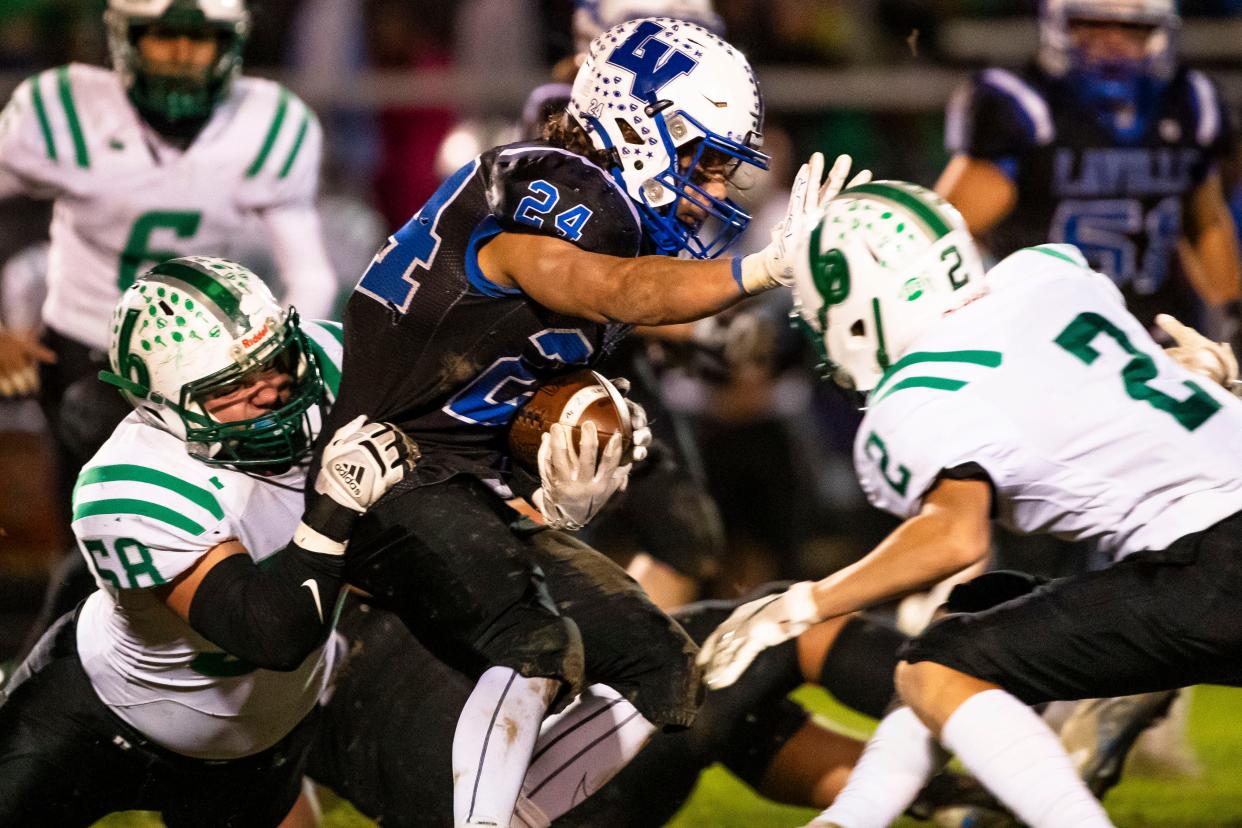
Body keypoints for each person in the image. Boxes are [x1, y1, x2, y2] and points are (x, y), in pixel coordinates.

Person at [323, 16, 863, 827]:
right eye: (705, 162)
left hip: (461, 484)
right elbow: (609, 288)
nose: (715, 189)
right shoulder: (557, 190)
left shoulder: (611, 207)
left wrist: (573, 448)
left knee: (661, 664)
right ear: (644, 128)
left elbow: (514, 369)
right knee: (535, 641)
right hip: (384, 472)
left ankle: (527, 816)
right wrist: (759, 270)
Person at [698, 180, 1242, 827]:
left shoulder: (920, 388)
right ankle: (853, 818)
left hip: (1209, 565)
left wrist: (797, 606)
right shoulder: (1046, 275)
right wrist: (1196, 373)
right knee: (972, 617)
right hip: (1210, 544)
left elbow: (954, 539)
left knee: (936, 668)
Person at [0, 257, 413, 825]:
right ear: (163, 406)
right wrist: (338, 504)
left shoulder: (331, 362)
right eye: (233, 385)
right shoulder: (132, 482)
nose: (269, 392)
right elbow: (271, 632)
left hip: (258, 740)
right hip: (95, 717)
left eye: (273, 362)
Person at [0, 0, 336, 524]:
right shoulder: (64, 108)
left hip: (211, 359)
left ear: (230, 44)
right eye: (163, 35)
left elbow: (310, 273)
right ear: (125, 39)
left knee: (222, 510)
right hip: (86, 348)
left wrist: (269, 361)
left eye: (200, 38)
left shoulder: (270, 123)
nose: (182, 54)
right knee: (106, 505)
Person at [936, 0, 1240, 337]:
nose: (1113, 40)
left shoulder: (1191, 101)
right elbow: (948, 235)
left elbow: (1206, 224)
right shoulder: (1026, 105)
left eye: (1134, 27)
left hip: (1157, 336)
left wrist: (1233, 314)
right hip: (1041, 337)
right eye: (1092, 23)